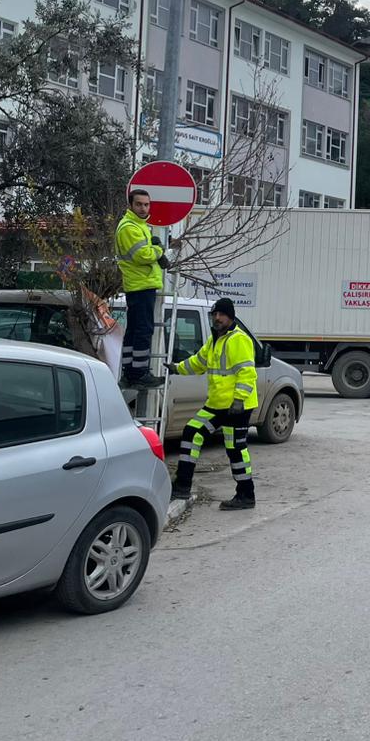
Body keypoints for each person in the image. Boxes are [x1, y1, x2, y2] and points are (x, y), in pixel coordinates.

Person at [168, 297, 260, 510]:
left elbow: (247, 373)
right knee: (192, 432)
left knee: (235, 449)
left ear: (230, 316)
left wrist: (239, 399)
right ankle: (182, 484)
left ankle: (246, 494)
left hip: (237, 406)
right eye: (214, 314)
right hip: (218, 404)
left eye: (221, 314)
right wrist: (176, 368)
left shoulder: (239, 339)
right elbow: (198, 362)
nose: (217, 318)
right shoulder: (215, 340)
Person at [114, 190, 168, 389]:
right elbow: (142, 255)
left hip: (139, 284)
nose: (143, 208)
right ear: (131, 205)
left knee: (135, 330)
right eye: (139, 204)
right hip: (141, 284)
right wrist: (159, 250)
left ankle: (131, 372)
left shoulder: (139, 226)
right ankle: (139, 373)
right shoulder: (130, 227)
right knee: (143, 330)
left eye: (146, 204)